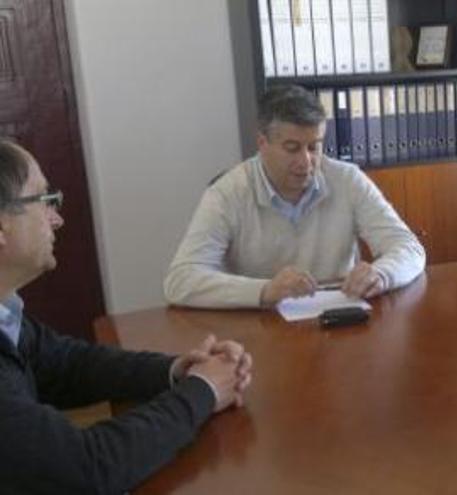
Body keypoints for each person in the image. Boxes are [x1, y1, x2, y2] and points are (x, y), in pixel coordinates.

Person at [0, 140, 253, 492]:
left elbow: (67, 365)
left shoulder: (6, 312)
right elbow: (88, 469)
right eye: (44, 201)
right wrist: (204, 390)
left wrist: (178, 370)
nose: (56, 218)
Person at [164, 85, 425, 309]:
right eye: (292, 148)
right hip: (262, 331)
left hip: (340, 319)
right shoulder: (227, 193)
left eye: (314, 147)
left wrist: (381, 274)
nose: (306, 161)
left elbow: (409, 249)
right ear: (262, 143)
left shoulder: (347, 179)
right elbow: (180, 280)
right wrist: (265, 291)